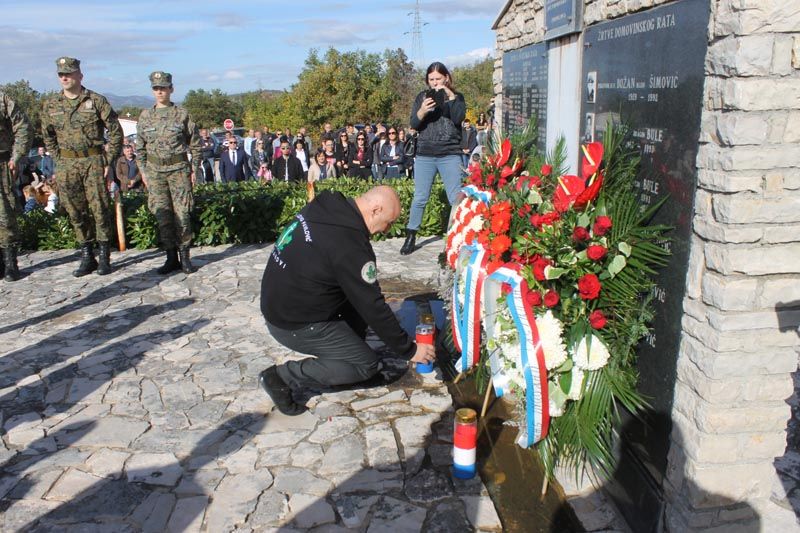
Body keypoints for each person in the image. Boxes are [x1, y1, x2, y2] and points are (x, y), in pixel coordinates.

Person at [258, 185, 435, 414]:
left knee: (355, 294)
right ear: (375, 210)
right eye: (388, 222)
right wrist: (410, 350)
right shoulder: (349, 244)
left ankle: (348, 347)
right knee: (365, 364)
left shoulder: (329, 204)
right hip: (294, 322)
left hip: (281, 302)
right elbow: (373, 306)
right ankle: (282, 377)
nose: (387, 230)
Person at [41, 56, 123, 276]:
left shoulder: (96, 101)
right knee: (75, 211)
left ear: (80, 75)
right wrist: (57, 159)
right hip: (67, 163)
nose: (65, 77)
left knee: (99, 209)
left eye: (69, 73)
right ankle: (87, 256)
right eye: (61, 74)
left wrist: (109, 159)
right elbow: (47, 135)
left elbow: (115, 132)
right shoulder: (51, 105)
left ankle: (104, 255)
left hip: (93, 161)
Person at [136, 71, 202, 275]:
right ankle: (170, 256)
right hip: (155, 172)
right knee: (162, 215)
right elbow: (140, 149)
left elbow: (195, 145)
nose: (160, 92)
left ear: (171, 89)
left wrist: (194, 168)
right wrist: (144, 172)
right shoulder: (145, 116)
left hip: (179, 170)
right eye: (156, 88)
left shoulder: (182, 114)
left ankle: (185, 257)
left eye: (163, 88)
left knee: (182, 214)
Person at [401, 61, 466, 255]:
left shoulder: (457, 97)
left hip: (450, 154)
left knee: (455, 198)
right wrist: (422, 110)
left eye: (438, 78)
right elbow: (414, 123)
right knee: (420, 197)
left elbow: (457, 118)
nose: (435, 82)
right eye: (431, 79)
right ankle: (411, 236)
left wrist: (451, 96)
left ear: (446, 78)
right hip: (425, 154)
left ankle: (459, 237)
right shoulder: (422, 96)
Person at [0, 91, 30, 281]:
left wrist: (16, 156)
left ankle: (10, 262)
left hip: (1, 163)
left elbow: (23, 126)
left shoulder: (2, 99)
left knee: (5, 213)